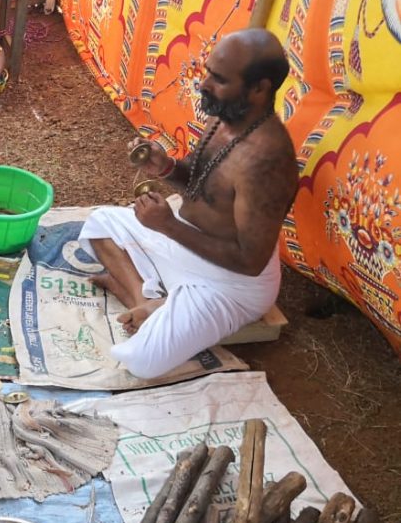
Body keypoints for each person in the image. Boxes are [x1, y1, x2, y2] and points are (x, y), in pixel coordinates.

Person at [80, 28, 298, 379]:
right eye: (209, 72)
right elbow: (201, 182)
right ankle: (143, 300)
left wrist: (169, 225)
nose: (204, 84)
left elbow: (250, 262)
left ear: (260, 88)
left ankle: (155, 302)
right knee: (99, 223)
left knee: (144, 361)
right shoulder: (223, 117)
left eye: (219, 79)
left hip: (230, 284)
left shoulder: (267, 162)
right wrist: (165, 167)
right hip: (185, 244)